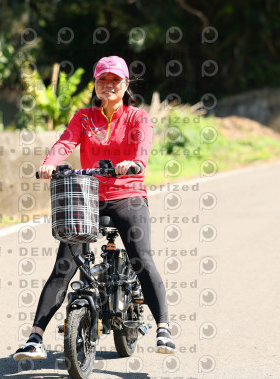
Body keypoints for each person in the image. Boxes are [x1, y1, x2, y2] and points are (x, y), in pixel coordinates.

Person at [13, 55, 175, 361]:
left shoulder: (137, 117)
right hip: (89, 198)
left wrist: (134, 163)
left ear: (125, 84)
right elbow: (65, 143)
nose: (108, 85)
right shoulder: (84, 117)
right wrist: (50, 163)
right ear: (95, 84)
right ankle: (35, 338)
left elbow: (142, 147)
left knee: (141, 258)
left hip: (128, 195)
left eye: (115, 80)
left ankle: (163, 328)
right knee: (64, 266)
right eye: (103, 80)